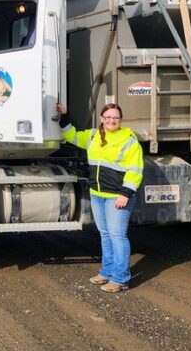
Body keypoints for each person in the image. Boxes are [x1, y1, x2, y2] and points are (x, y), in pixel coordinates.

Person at [57, 103, 144, 293]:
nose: (112, 120)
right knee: (105, 235)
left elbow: (135, 169)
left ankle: (120, 278)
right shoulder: (93, 136)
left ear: (120, 121)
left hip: (117, 196)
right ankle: (106, 272)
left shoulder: (128, 139)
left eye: (116, 118)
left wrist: (126, 193)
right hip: (97, 194)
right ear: (102, 119)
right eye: (109, 117)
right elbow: (71, 136)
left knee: (117, 236)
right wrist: (65, 116)